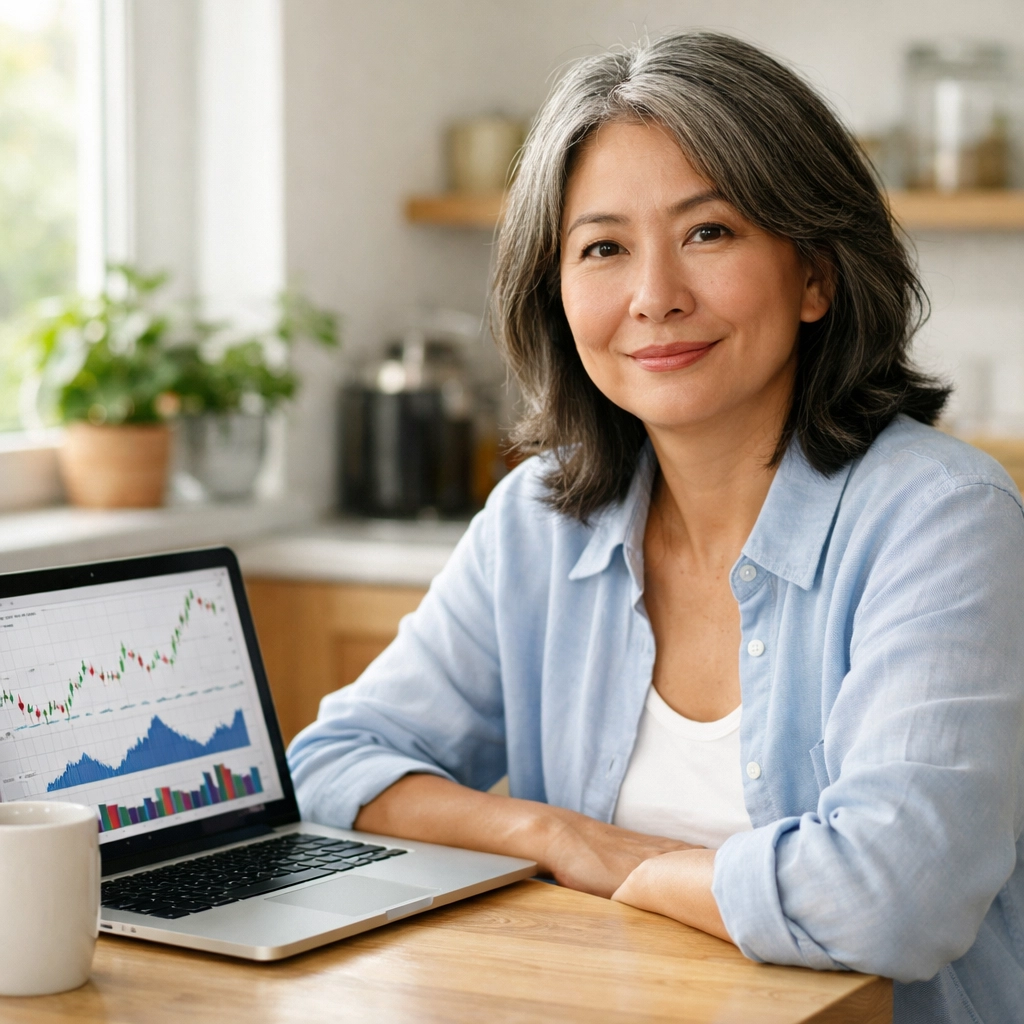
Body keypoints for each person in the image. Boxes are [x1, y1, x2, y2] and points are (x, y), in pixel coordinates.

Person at [288, 32, 1024, 1021]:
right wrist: (564, 840)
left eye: (708, 232)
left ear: (814, 274)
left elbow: (888, 899)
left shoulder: (943, 520)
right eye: (602, 247)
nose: (654, 297)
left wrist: (643, 870)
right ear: (555, 292)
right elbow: (333, 766)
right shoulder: (539, 517)